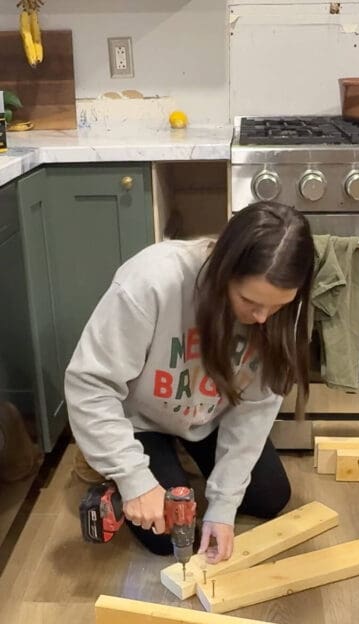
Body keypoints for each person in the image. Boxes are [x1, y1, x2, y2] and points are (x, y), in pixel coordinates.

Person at [65, 201, 315, 563]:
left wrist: (223, 506)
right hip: (141, 418)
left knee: (270, 496)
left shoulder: (286, 311)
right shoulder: (150, 282)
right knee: (165, 538)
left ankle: (176, 452)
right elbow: (90, 385)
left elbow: (256, 410)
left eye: (276, 307)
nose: (262, 318)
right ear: (223, 270)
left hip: (209, 412)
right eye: (249, 301)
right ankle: (106, 452)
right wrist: (134, 479)